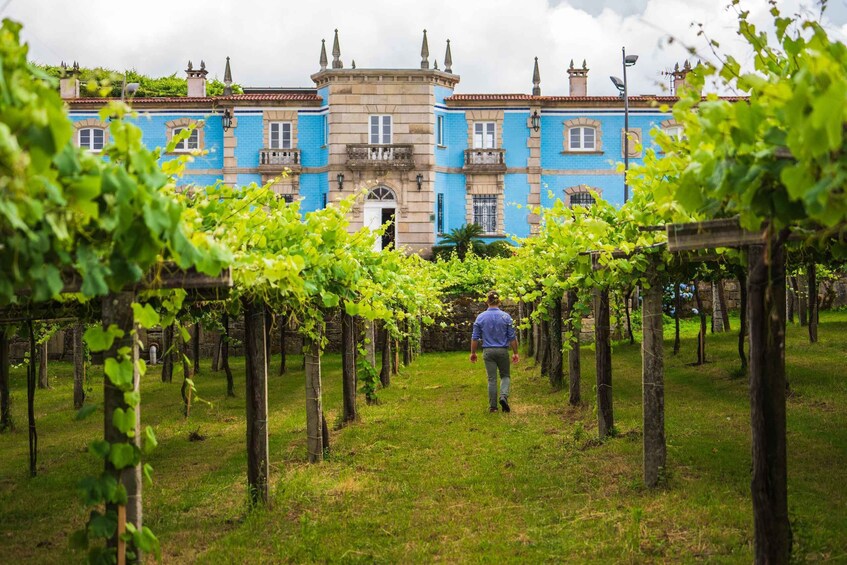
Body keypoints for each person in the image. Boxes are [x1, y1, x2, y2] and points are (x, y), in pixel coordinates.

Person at [470, 291, 519, 412]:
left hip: (488, 351)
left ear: (487, 301)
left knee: (491, 379)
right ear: (499, 301)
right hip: (502, 350)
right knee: (505, 375)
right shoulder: (506, 317)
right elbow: (512, 337)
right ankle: (503, 396)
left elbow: (475, 337)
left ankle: (493, 407)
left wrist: (473, 353)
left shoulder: (481, 317)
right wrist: (515, 352)